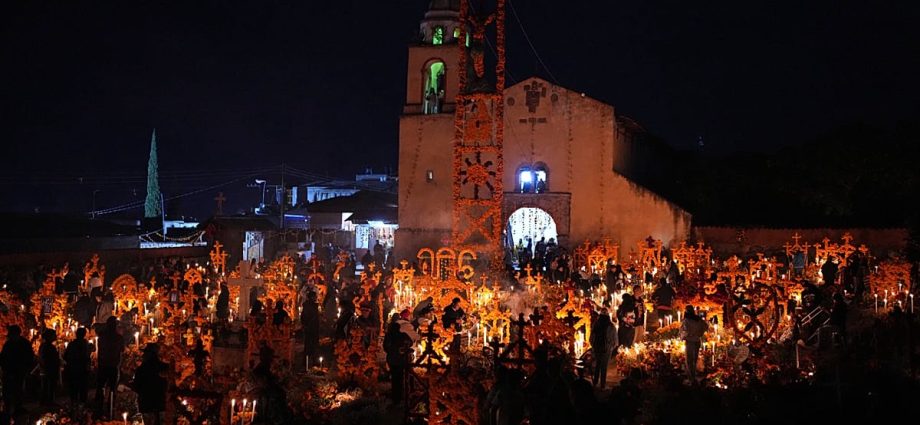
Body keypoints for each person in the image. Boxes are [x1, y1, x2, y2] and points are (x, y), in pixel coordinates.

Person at [383, 310, 418, 404]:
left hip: (392, 360)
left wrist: (390, 352)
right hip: (400, 360)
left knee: (395, 378)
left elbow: (385, 347)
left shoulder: (388, 335)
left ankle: (396, 396)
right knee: (401, 378)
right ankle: (403, 395)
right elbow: (411, 341)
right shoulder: (402, 335)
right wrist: (404, 349)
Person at [0, 325, 34, 416]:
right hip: (9, 371)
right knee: (8, 391)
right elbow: (3, 358)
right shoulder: (8, 344)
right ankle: (7, 408)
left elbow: (29, 357)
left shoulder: (24, 344)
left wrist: (27, 369)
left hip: (19, 371)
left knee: (18, 389)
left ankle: (17, 407)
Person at [133, 343, 168, 425]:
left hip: (146, 403)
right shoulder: (164, 367)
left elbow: (136, 386)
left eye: (145, 353)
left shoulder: (141, 369)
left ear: (149, 354)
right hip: (160, 402)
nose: (143, 355)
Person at [96, 316, 125, 408]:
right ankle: (110, 404)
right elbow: (122, 350)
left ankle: (99, 404)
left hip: (103, 363)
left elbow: (100, 349)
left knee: (101, 385)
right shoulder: (118, 338)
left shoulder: (102, 336)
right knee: (112, 386)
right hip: (112, 364)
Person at [679, 304, 709, 384]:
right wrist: (699, 333)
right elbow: (706, 327)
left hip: (690, 342)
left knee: (689, 360)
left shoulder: (686, 320)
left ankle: (691, 378)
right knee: (694, 360)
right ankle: (693, 376)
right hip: (697, 341)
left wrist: (683, 337)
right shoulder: (698, 319)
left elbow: (684, 331)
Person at [589, 308, 617, 388]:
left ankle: (595, 382)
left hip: (597, 347)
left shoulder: (596, 324)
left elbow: (592, 336)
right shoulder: (611, 325)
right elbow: (614, 338)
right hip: (606, 348)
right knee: (604, 366)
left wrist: (593, 345)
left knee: (598, 364)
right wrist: (612, 346)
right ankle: (602, 384)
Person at [63, 327, 91, 404]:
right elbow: (87, 357)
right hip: (82, 369)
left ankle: (74, 403)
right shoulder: (85, 344)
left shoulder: (72, 344)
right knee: (82, 389)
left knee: (74, 388)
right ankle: (81, 404)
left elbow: (65, 356)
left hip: (74, 369)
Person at [39, 329, 61, 405]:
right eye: (54, 335)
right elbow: (48, 359)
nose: (55, 336)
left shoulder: (44, 346)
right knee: (49, 385)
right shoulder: (48, 346)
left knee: (46, 386)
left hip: (46, 369)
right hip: (49, 369)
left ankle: (46, 401)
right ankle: (49, 401)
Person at [301, 291, 320, 366]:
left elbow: (302, 317)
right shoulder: (310, 306)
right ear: (312, 297)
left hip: (310, 328)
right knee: (312, 345)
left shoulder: (307, 306)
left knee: (309, 345)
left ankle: (307, 362)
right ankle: (311, 362)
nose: (316, 298)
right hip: (311, 328)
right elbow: (308, 317)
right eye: (315, 296)